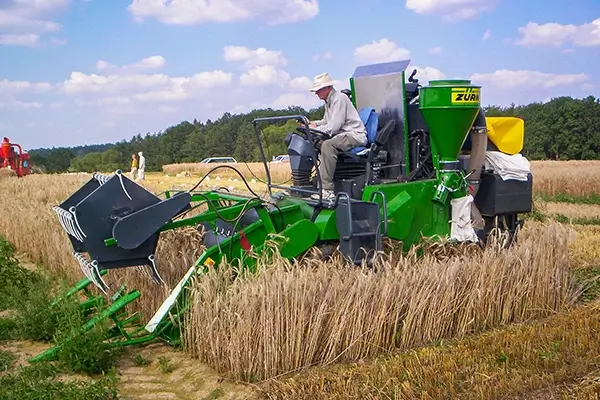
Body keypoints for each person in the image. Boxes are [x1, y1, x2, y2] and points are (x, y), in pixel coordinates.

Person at [306, 73, 367, 201]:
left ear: (327, 88)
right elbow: (326, 121)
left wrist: (314, 129)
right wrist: (311, 124)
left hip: (354, 135)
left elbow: (334, 126)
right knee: (317, 143)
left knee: (328, 145)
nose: (316, 93)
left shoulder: (339, 98)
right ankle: (314, 183)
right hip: (342, 135)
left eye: (318, 90)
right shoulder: (328, 102)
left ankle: (327, 191)